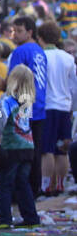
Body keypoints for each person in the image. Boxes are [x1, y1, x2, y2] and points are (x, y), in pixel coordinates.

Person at [0, 66, 40, 229]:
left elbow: (1, 121)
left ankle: (4, 218)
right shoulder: (27, 99)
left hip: (11, 146)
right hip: (27, 146)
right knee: (22, 182)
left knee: (5, 183)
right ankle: (30, 216)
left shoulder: (7, 100)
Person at [9, 16, 50, 200]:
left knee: (19, 152)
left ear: (30, 32)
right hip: (40, 105)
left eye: (19, 31)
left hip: (24, 106)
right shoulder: (40, 51)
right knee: (35, 151)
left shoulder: (20, 51)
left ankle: (19, 194)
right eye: (13, 30)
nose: (15, 34)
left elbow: (12, 81)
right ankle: (34, 190)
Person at [39, 21, 77, 196]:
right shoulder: (68, 58)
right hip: (64, 107)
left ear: (40, 38)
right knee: (62, 150)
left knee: (46, 150)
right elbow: (73, 86)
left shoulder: (40, 56)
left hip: (46, 106)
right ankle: (60, 183)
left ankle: (46, 185)